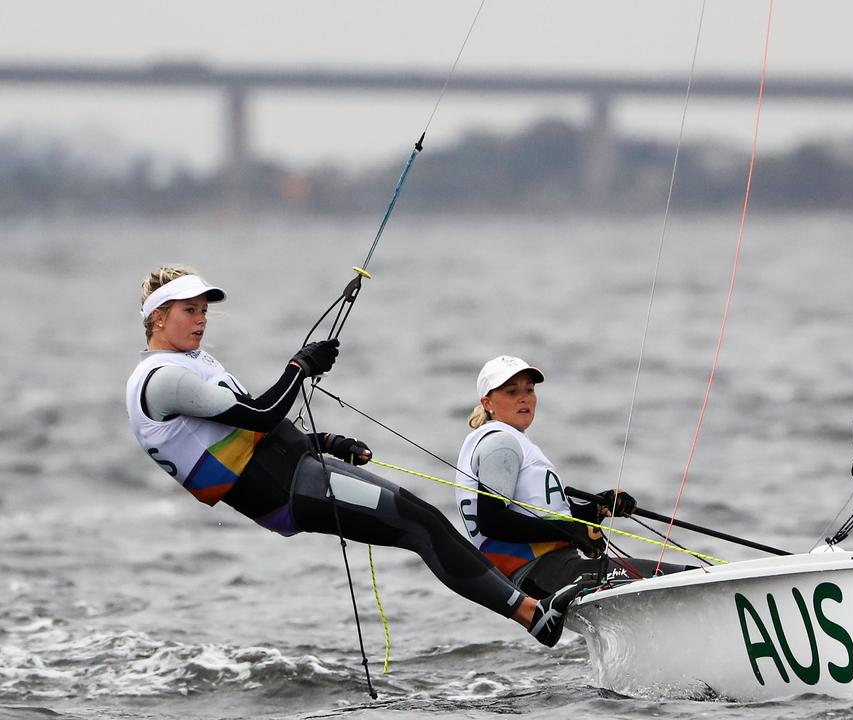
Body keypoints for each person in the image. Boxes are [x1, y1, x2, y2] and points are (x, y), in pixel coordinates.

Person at [125, 265, 578, 647]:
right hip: (287, 490)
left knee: (426, 520)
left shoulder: (191, 364)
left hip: (300, 469)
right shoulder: (162, 378)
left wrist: (325, 442)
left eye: (205, 310)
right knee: (419, 526)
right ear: (159, 317)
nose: (202, 320)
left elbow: (247, 433)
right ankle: (533, 616)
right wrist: (299, 367)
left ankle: (531, 605)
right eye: (190, 310)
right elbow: (262, 415)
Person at [455, 355, 686, 599]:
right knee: (683, 577)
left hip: (550, 572)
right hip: (542, 572)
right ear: (487, 402)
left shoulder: (505, 441)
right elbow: (493, 521)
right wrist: (571, 531)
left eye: (529, 390)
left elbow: (539, 514)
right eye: (512, 391)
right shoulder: (501, 443)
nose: (524, 398)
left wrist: (596, 508)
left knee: (674, 575)